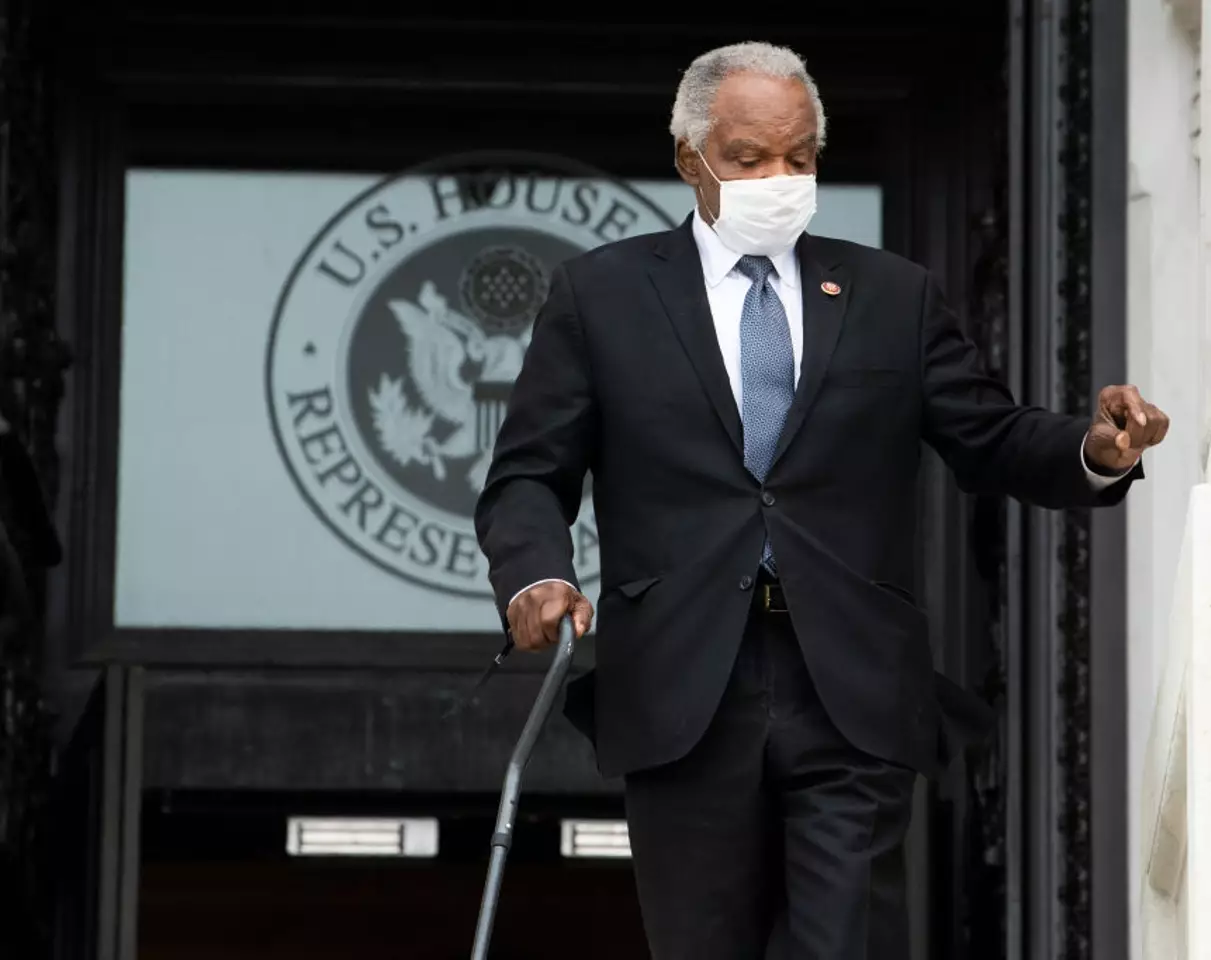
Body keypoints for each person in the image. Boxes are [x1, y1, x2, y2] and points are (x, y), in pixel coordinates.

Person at [475, 40, 1167, 960]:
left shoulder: (892, 295)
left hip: (850, 678)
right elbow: (529, 472)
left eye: (799, 158)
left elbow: (990, 435)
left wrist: (1095, 448)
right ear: (691, 159)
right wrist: (536, 580)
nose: (780, 178)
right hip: (684, 683)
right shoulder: (600, 294)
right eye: (751, 158)